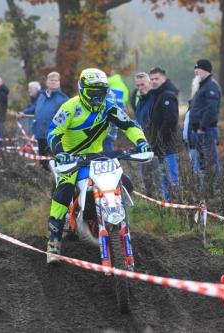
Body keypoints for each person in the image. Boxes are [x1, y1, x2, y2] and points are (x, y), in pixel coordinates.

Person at [45, 68, 150, 263]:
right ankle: (54, 241)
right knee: (63, 192)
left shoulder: (108, 107)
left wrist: (141, 142)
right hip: (72, 158)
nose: (97, 97)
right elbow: (53, 131)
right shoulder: (69, 107)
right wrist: (61, 153)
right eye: (93, 93)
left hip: (98, 157)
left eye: (101, 93)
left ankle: (114, 221)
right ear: (83, 90)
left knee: (127, 184)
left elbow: (129, 125)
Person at [146, 66, 180, 201]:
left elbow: (171, 120)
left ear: (164, 78)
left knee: (172, 179)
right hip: (159, 146)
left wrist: (159, 139)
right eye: (152, 79)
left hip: (167, 146)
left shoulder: (167, 95)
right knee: (163, 178)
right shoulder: (158, 94)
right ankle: (168, 203)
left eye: (157, 78)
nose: (154, 81)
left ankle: (176, 203)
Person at [189, 59, 222, 188]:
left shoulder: (211, 86)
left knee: (211, 164)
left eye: (198, 68)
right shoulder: (200, 86)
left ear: (206, 70)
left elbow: (211, 109)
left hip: (206, 131)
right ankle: (205, 193)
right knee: (201, 164)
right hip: (198, 132)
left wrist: (202, 127)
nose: (196, 71)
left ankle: (215, 192)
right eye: (195, 69)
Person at [25, 72, 68, 170]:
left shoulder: (63, 99)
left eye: (56, 80)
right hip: (40, 134)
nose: (53, 82)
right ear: (46, 82)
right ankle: (43, 180)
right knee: (43, 161)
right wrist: (24, 114)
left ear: (59, 83)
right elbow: (36, 109)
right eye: (51, 80)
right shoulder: (42, 96)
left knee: (54, 161)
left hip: (53, 135)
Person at [104, 70, 130, 153]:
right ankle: (110, 156)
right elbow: (125, 100)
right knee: (110, 138)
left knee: (104, 138)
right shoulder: (123, 86)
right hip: (119, 113)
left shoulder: (107, 82)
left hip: (107, 112)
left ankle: (105, 158)